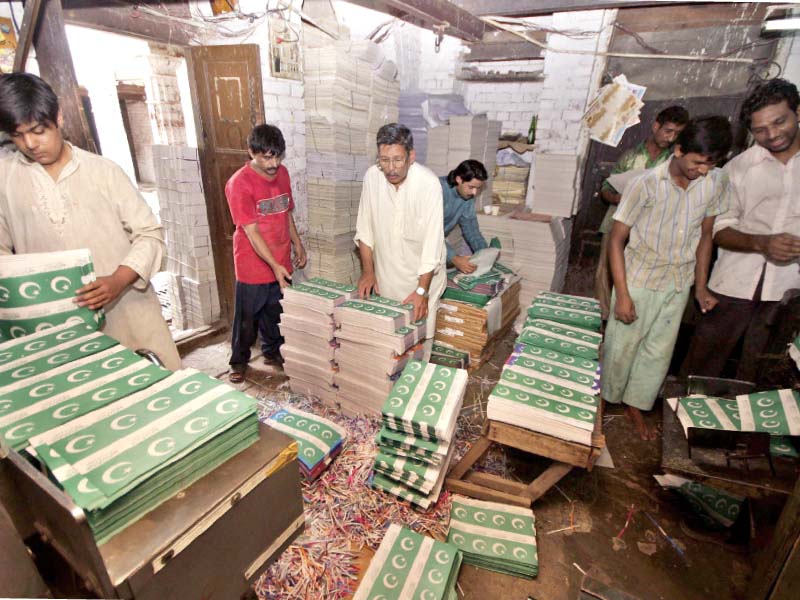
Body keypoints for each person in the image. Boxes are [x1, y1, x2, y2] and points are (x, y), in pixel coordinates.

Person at [0, 72, 180, 370]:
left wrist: (118, 280)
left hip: (127, 311)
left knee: (154, 389)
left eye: (38, 130)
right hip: (57, 328)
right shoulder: (6, 179)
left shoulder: (103, 172)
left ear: (58, 118)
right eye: (18, 135)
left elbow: (150, 234)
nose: (30, 143)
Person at [602, 116, 732, 441]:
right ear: (678, 149)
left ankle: (636, 405)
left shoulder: (715, 182)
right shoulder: (645, 183)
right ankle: (602, 402)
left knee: (657, 352)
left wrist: (700, 287)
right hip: (639, 280)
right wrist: (624, 294)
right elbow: (616, 240)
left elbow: (705, 238)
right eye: (697, 162)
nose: (702, 170)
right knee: (621, 347)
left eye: (710, 163)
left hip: (678, 283)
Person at [681, 79, 800, 382]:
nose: (771, 135)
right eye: (760, 130)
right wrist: (761, 242)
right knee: (702, 365)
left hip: (788, 289)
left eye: (779, 122)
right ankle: (686, 426)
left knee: (764, 373)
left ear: (797, 112)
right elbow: (718, 229)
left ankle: (748, 430)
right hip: (734, 282)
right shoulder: (739, 168)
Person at [355, 123, 446, 360]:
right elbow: (365, 230)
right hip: (387, 278)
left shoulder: (428, 184)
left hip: (422, 279)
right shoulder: (372, 178)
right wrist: (368, 271)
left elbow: (432, 246)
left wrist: (421, 291)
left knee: (419, 342)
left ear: (411, 156)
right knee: (390, 342)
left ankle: (415, 383)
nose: (391, 168)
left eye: (397, 160)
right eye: (384, 160)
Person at [225, 124, 305, 383]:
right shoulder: (239, 183)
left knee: (275, 312)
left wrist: (297, 243)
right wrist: (274, 265)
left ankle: (273, 352)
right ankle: (238, 361)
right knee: (247, 318)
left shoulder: (283, 174)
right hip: (253, 263)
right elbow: (251, 232)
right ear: (251, 152)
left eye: (277, 156)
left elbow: (286, 213)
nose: (273, 164)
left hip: (280, 259)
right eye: (266, 157)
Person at [595, 105, 690, 318]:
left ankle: (629, 313)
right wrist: (619, 197)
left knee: (634, 278)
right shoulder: (630, 156)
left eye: (677, 134)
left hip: (650, 228)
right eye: (668, 131)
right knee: (606, 273)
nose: (671, 137)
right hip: (617, 221)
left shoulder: (672, 161)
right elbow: (606, 190)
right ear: (656, 126)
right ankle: (602, 320)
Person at [441, 159, 489, 274]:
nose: (474, 193)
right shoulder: (436, 190)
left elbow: (471, 229)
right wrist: (454, 258)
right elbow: (428, 234)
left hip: (436, 245)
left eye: (478, 188)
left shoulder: (467, 197)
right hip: (413, 243)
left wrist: (485, 254)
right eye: (471, 187)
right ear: (459, 179)